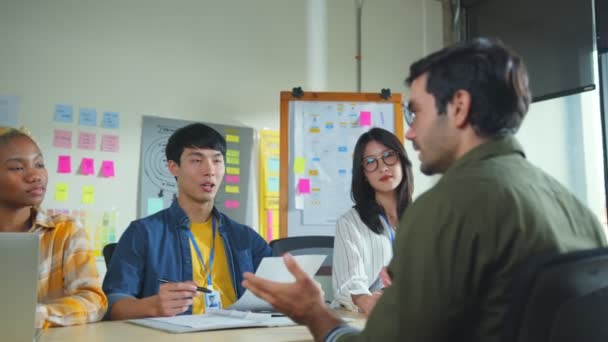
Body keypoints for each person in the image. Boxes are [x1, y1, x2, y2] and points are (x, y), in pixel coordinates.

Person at [241, 38, 608, 341]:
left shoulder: (445, 208)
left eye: (415, 113)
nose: (411, 132)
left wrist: (314, 314)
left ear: (459, 107)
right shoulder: (574, 207)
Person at [103, 123, 271, 319]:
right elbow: (112, 305)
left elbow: (279, 290)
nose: (209, 170)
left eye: (217, 160)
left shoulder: (245, 238)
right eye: (197, 160)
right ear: (173, 167)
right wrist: (153, 307)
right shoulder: (143, 233)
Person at [0, 126, 107, 328]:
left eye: (39, 164)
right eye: (17, 168)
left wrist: (35, 315)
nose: (35, 175)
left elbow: (93, 302)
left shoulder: (65, 231)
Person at [332, 127, 413, 314]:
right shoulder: (350, 223)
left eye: (388, 156)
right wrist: (368, 301)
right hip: (368, 318)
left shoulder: (424, 217)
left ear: (401, 160)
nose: (383, 167)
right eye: (370, 162)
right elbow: (349, 282)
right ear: (364, 175)